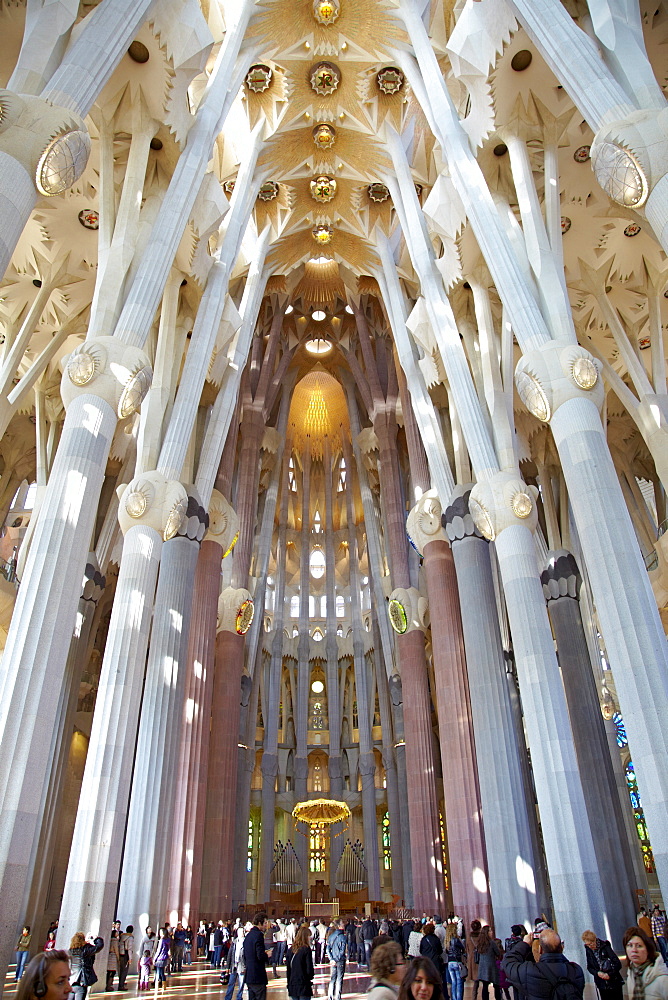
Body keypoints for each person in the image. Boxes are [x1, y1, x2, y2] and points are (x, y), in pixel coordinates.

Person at [503, 929, 584, 1000]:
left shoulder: (530, 971)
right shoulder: (576, 970)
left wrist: (525, 944)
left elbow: (508, 963)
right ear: (562, 948)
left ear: (540, 949)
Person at [624, 925, 668, 1000]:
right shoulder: (631, 974)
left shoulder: (662, 979)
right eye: (630, 945)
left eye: (639, 946)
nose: (634, 950)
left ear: (647, 949)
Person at [581, 931, 623, 1000]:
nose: (590, 946)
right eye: (587, 945)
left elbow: (617, 964)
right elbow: (589, 967)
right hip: (601, 984)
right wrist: (597, 973)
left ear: (595, 940)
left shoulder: (605, 946)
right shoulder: (589, 950)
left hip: (614, 981)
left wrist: (609, 974)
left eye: (591, 944)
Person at [243, 912, 271, 1000]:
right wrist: (267, 955)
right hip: (258, 975)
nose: (266, 925)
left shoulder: (248, 936)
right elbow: (260, 956)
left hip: (249, 975)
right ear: (259, 923)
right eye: (265, 923)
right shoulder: (259, 935)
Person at [69, 933, 104, 1000]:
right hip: (81, 982)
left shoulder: (70, 951)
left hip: (71, 982)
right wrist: (96, 939)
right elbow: (99, 946)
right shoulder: (85, 951)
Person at [287, 924, 315, 1000]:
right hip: (303, 984)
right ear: (305, 937)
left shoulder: (290, 950)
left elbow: (288, 969)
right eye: (309, 936)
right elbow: (309, 968)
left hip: (292, 984)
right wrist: (310, 977)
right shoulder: (306, 949)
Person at [476, 927, 501, 1000]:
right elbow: (498, 953)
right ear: (487, 933)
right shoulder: (492, 942)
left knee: (485, 986)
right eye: (490, 931)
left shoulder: (480, 943)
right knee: (496, 985)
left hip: (482, 967)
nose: (492, 932)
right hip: (491, 967)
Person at [444, 922, 466, 1000]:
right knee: (459, 982)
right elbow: (463, 948)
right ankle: (459, 998)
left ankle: (454, 998)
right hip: (457, 962)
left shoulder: (447, 941)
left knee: (453, 982)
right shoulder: (456, 940)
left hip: (450, 962)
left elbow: (446, 951)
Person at [327, 919, 347, 1000]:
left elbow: (328, 949)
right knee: (339, 979)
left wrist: (331, 959)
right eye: (342, 923)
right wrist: (337, 959)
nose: (344, 925)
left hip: (333, 961)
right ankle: (338, 997)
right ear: (339, 926)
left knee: (332, 979)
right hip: (340, 960)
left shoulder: (331, 936)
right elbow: (342, 950)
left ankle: (330, 996)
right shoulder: (343, 937)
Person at [224, 925, 246, 1000]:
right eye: (239, 932)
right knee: (231, 983)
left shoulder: (246, 942)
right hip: (234, 966)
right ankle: (228, 998)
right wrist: (227, 967)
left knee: (241, 984)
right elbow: (230, 954)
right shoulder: (234, 942)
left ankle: (239, 997)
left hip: (242, 966)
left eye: (241, 932)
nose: (240, 933)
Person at [467, 921, 482, 1000]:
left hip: (473, 960)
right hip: (481, 959)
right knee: (484, 981)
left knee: (475, 983)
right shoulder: (482, 937)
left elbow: (467, 948)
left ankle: (474, 998)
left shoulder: (469, 936)